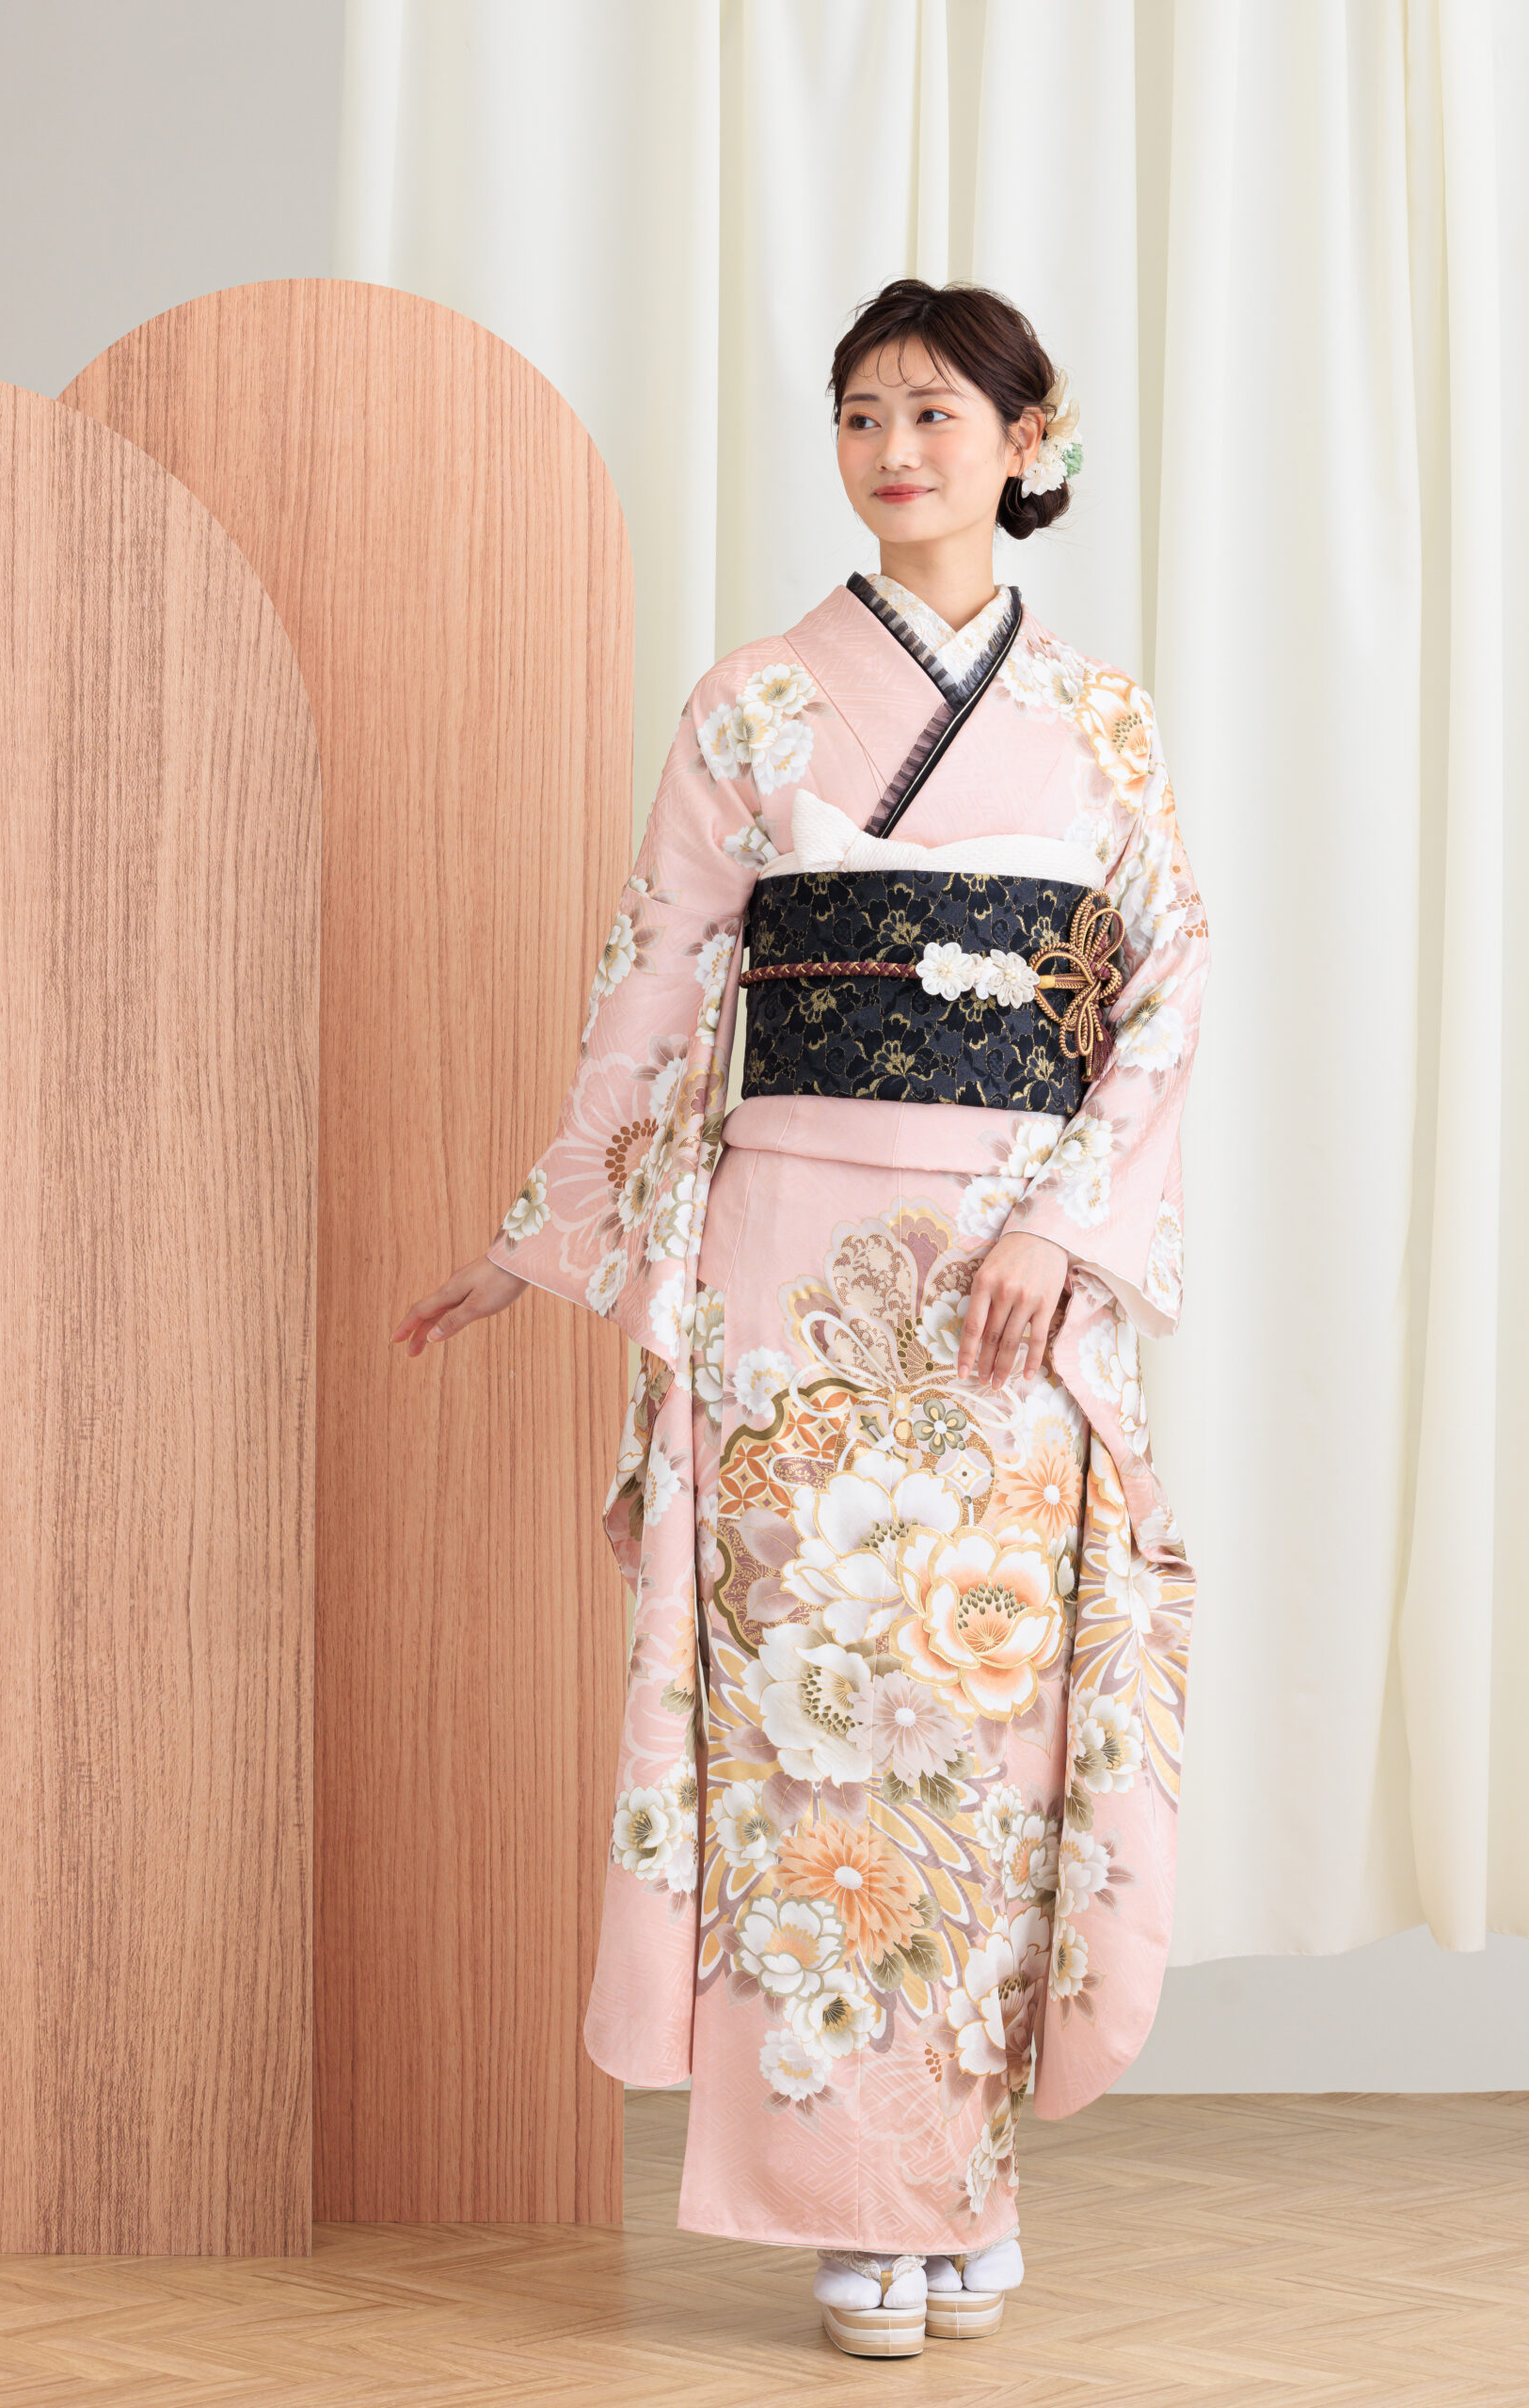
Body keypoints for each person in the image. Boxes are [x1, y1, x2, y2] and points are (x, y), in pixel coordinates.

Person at [393, 276, 1211, 2361]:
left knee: (981, 1720)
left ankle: (957, 2178)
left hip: (1004, 1278)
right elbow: (657, 976)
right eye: (861, 413)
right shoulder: (755, 701)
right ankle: (860, 2207)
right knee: (810, 1715)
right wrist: (541, 1232)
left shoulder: (1100, 719)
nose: (893, 449)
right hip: (785, 1268)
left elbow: (1170, 996)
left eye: (936, 412)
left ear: (1029, 441)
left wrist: (1067, 1232)